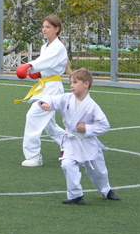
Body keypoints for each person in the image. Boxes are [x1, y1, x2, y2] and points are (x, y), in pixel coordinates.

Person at [37, 68, 120, 204]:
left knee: (98, 170)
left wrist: (87, 128)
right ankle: (75, 195)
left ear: (86, 84)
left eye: (75, 82)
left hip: (87, 141)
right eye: (71, 82)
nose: (71, 85)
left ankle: (106, 190)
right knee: (67, 164)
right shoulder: (66, 98)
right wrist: (45, 103)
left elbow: (104, 125)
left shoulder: (92, 106)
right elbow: (51, 98)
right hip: (70, 141)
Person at [14, 15, 67, 167]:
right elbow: (45, 64)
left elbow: (44, 62)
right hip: (45, 87)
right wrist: (38, 73)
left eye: (48, 27)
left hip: (52, 89)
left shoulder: (58, 47)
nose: (44, 29)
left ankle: (34, 156)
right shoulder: (46, 47)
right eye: (43, 27)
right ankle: (69, 143)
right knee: (48, 124)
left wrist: (30, 66)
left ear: (57, 29)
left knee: (33, 116)